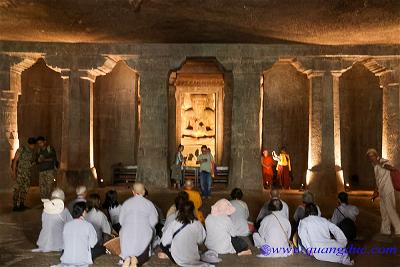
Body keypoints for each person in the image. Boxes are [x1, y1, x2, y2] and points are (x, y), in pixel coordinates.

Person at [119, 182, 158, 267]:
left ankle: (127, 259)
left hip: (127, 238)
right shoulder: (149, 204)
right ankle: (136, 260)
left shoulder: (126, 203)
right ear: (143, 192)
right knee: (148, 234)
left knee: (125, 233)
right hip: (143, 238)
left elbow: (121, 221)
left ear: (133, 192)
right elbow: (154, 221)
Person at [159, 201, 207, 266]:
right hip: (194, 258)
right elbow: (200, 240)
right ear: (193, 211)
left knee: (163, 244)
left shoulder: (174, 223)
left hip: (177, 259)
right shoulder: (198, 224)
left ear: (180, 211)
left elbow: (164, 242)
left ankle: (169, 256)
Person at [367, 148, 400, 235]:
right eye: (369, 157)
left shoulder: (383, 161)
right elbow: (378, 180)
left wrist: (380, 164)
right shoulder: (374, 166)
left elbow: (390, 167)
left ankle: (399, 229)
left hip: (388, 190)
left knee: (391, 210)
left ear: (376, 155)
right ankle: (386, 230)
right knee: (384, 212)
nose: (371, 158)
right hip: (382, 191)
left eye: (372, 156)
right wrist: (375, 192)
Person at [57, 202, 97, 267]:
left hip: (67, 258)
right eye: (86, 211)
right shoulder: (88, 225)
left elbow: (64, 243)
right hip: (82, 259)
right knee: (101, 249)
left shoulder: (66, 225)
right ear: (83, 212)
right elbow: (93, 244)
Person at [33, 188, 72, 252]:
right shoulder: (64, 210)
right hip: (59, 243)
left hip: (44, 242)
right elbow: (71, 223)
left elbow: (43, 222)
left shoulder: (45, 209)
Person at [12, 137, 36, 211]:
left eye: (33, 145)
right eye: (32, 144)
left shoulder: (32, 152)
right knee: (17, 189)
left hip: (27, 174)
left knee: (25, 189)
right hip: (20, 173)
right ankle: (15, 206)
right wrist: (13, 172)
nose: (33, 146)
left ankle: (22, 204)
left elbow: (30, 163)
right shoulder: (22, 149)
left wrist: (34, 163)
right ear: (29, 144)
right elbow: (15, 161)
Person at [85, 193, 112, 259]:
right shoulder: (101, 215)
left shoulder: (85, 215)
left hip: (85, 244)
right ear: (99, 202)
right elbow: (107, 233)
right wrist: (105, 248)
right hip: (97, 244)